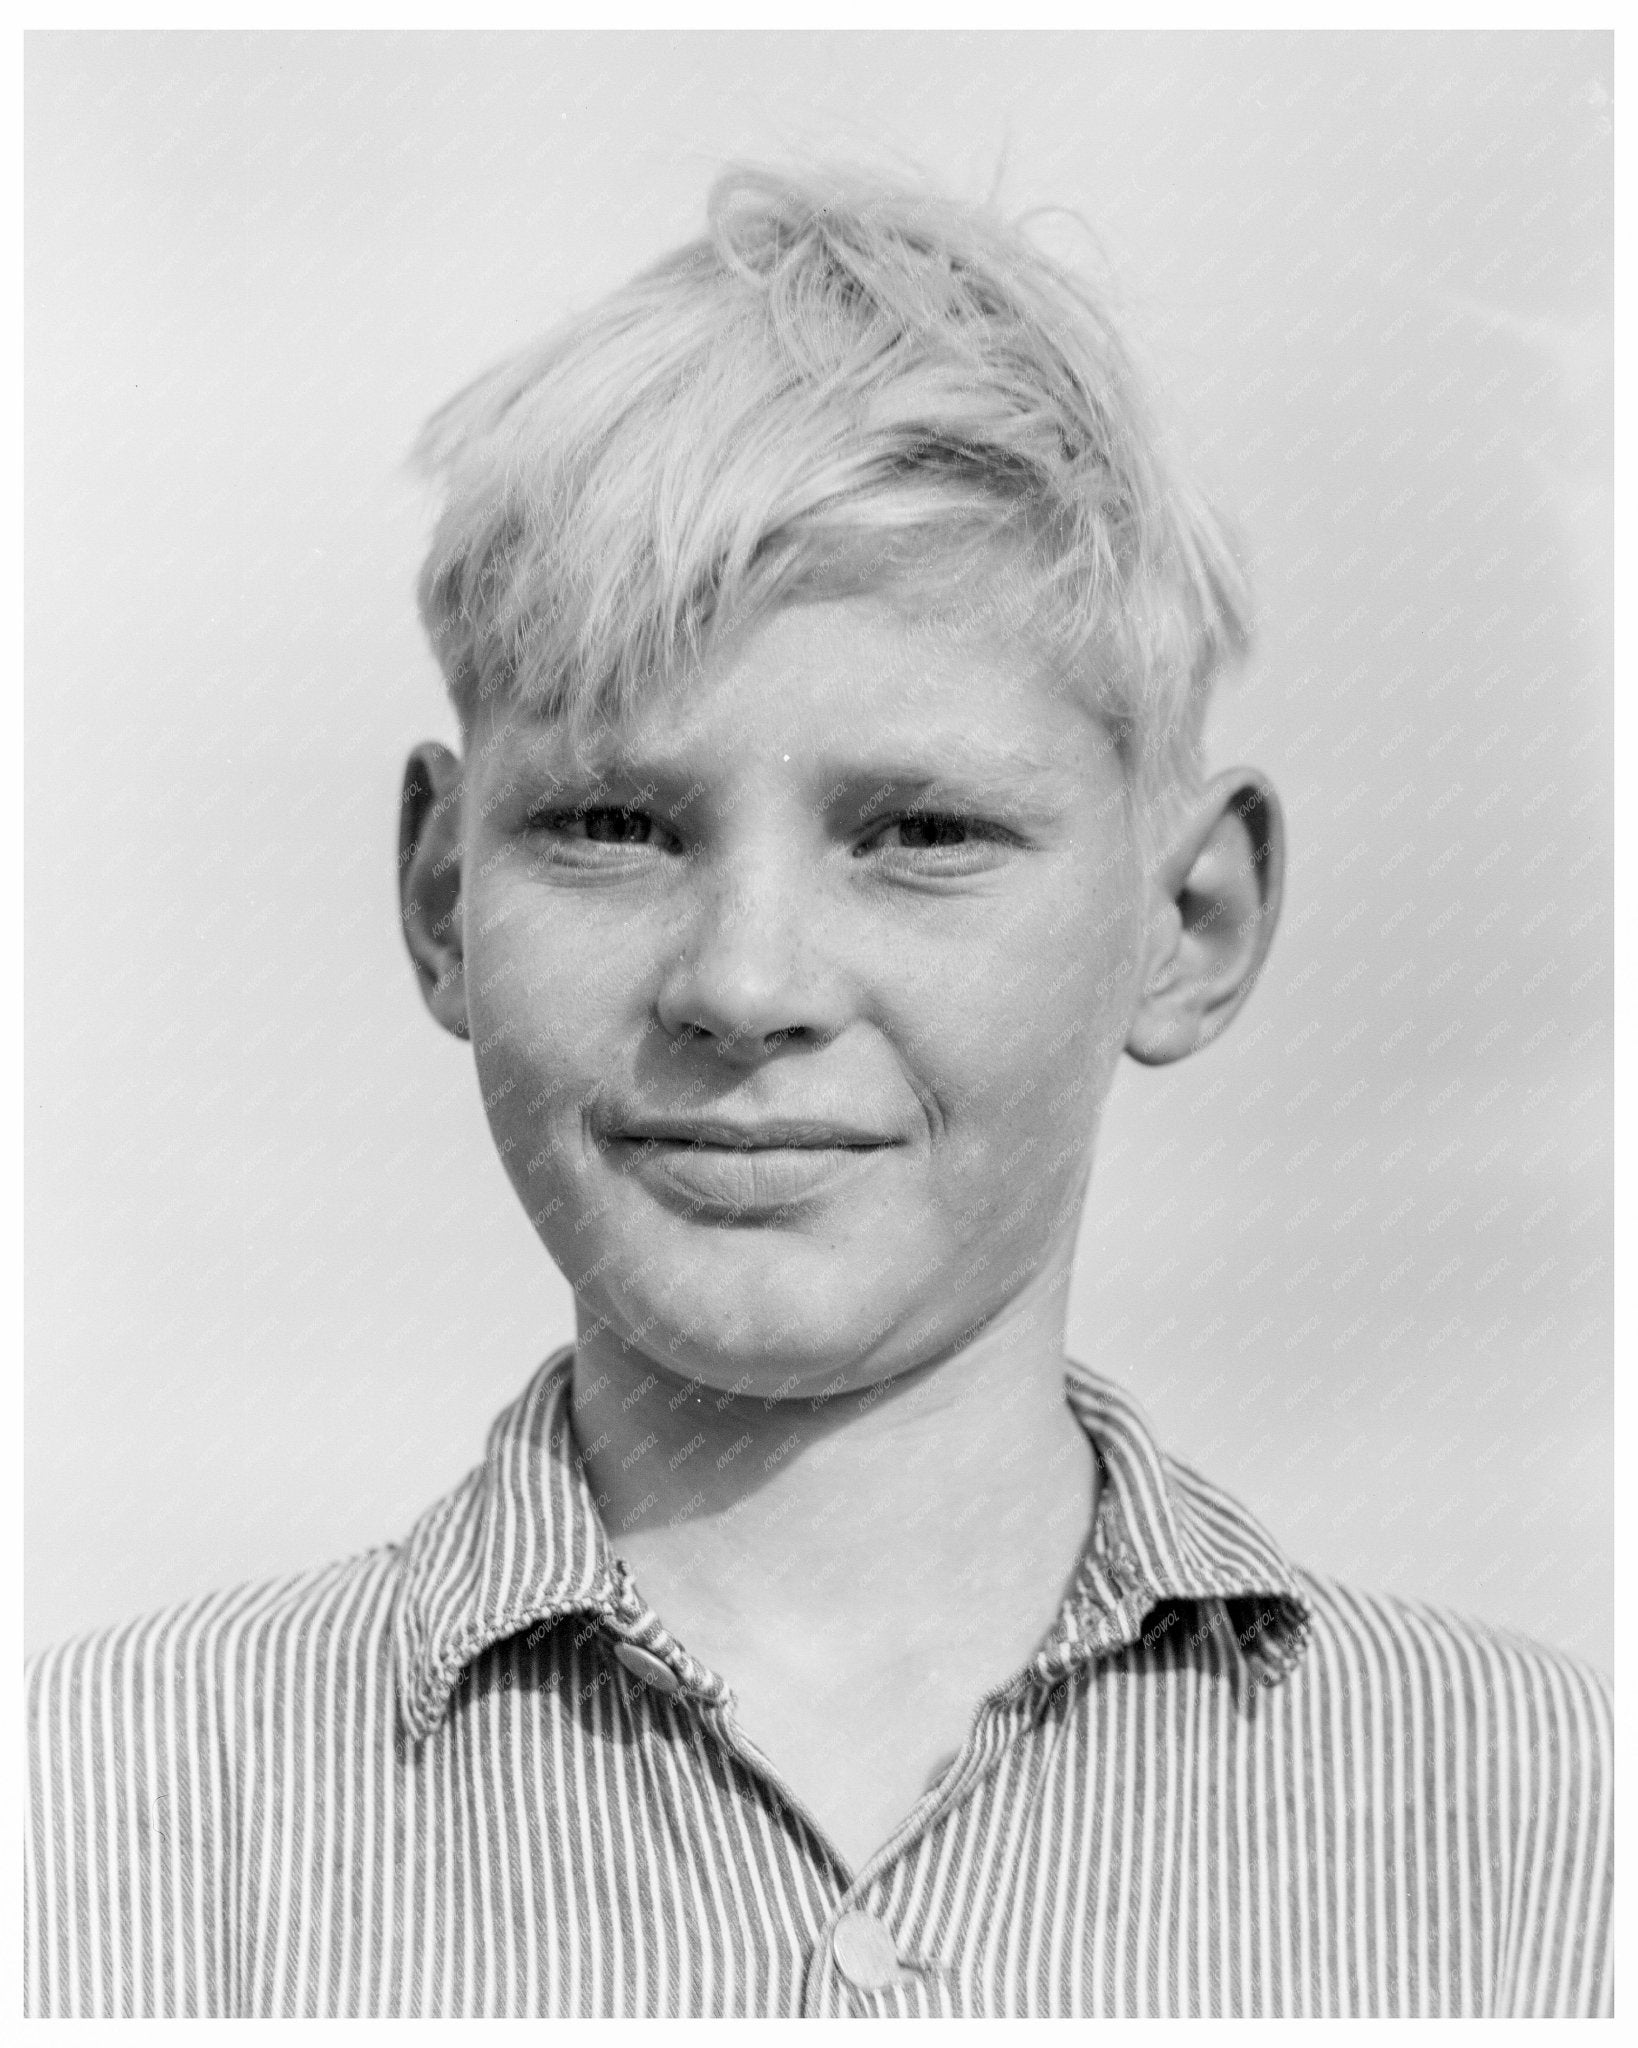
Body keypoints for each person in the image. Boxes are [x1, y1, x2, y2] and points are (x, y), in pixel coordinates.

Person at [25, 163, 1611, 2019]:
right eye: (612, 825)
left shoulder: (1535, 1834)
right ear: (440, 896)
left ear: (1187, 920)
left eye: (921, 833)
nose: (745, 983)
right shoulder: (90, 1822)